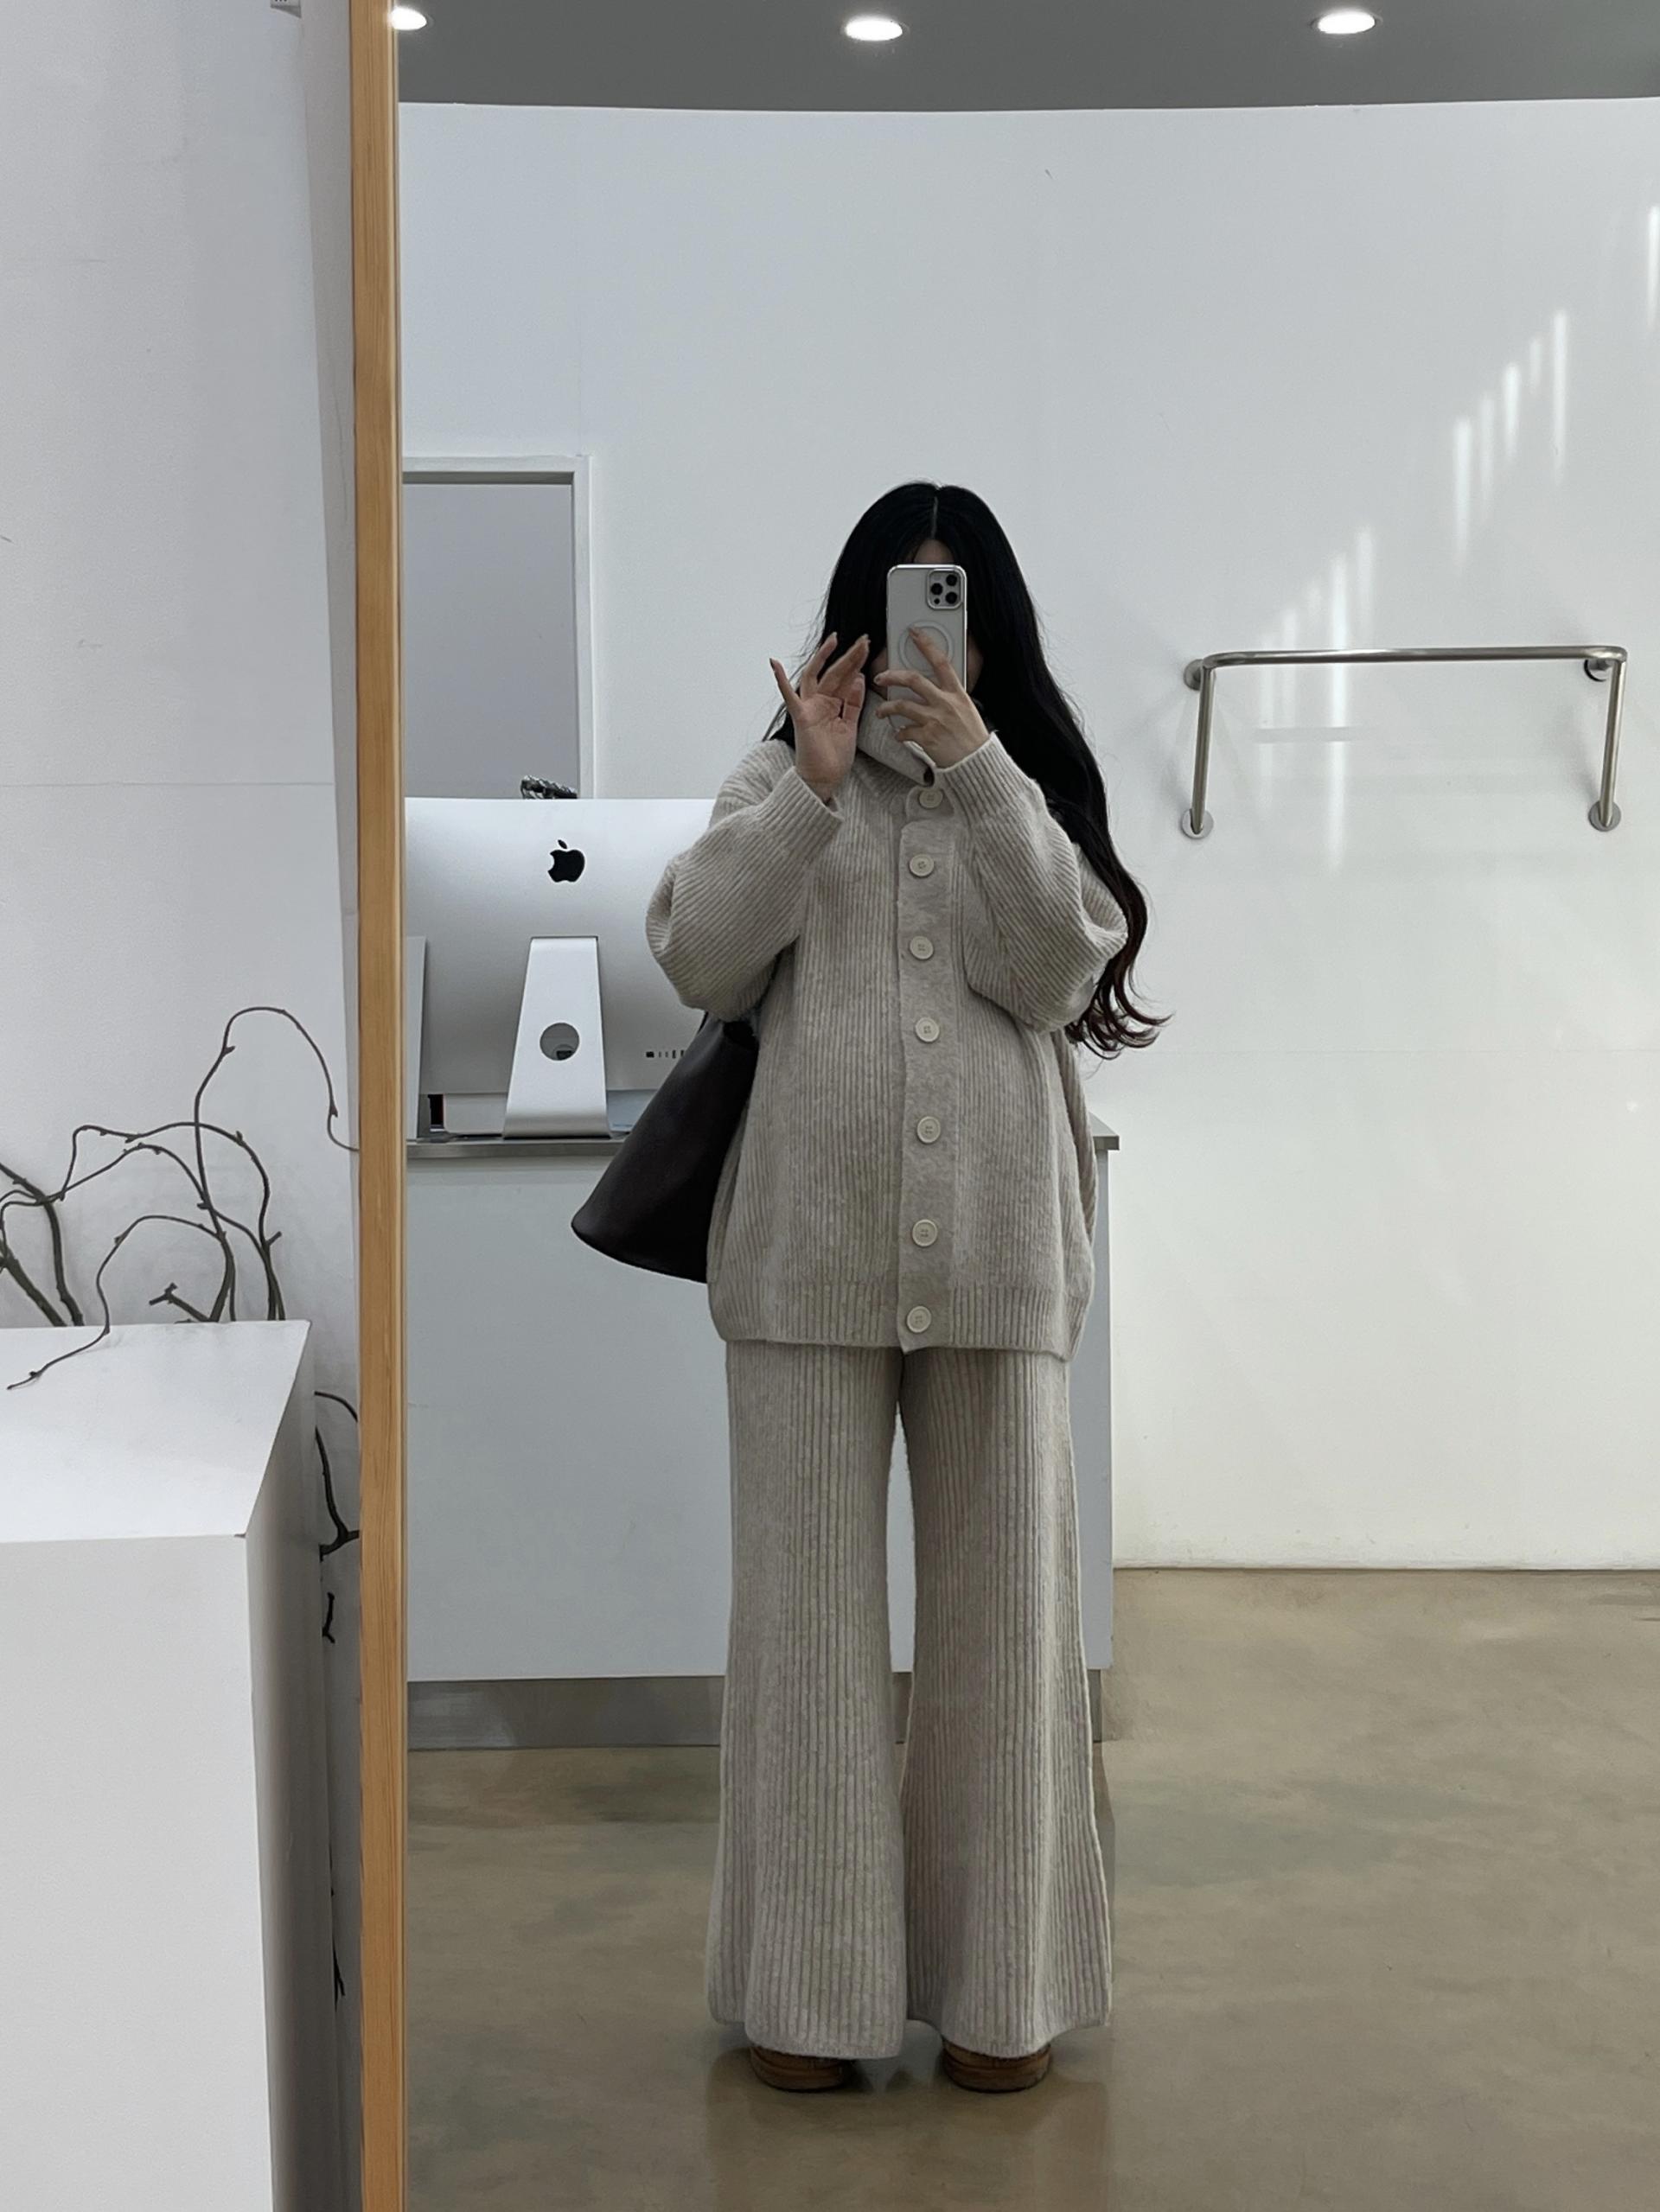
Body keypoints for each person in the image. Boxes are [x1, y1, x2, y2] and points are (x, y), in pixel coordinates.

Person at [647, 481, 1163, 2094]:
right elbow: (700, 956)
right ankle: (808, 1998)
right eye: (900, 608)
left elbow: (1059, 968)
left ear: (988, 631)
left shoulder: (1025, 784)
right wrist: (809, 789)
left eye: (956, 612)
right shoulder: (781, 773)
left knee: (1009, 1637)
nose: (928, 645)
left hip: (1000, 1256)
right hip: (804, 1260)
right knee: (801, 1640)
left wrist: (980, 769)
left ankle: (1004, 1993)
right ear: (855, 625)